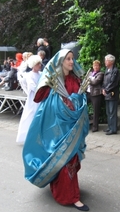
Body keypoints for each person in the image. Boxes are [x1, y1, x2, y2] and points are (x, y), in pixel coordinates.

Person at [22, 49, 90, 211]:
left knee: (71, 160)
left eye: (73, 58)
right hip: (57, 127)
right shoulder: (53, 80)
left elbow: (81, 99)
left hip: (73, 125)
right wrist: (55, 94)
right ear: (60, 62)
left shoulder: (75, 79)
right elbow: (39, 98)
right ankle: (70, 197)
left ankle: (64, 189)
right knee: (64, 160)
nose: (72, 62)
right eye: (68, 59)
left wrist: (76, 100)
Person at [16, 55, 42, 143]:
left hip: (41, 98)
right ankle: (29, 137)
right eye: (38, 64)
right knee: (31, 116)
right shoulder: (29, 75)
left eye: (40, 63)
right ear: (33, 65)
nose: (40, 65)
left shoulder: (41, 74)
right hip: (33, 100)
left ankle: (39, 137)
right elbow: (32, 87)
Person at [102, 54, 120, 135]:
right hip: (107, 94)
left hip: (112, 94)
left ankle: (113, 129)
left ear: (111, 62)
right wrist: (103, 89)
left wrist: (106, 89)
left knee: (112, 112)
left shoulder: (115, 70)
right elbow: (104, 81)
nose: (105, 62)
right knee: (108, 112)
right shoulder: (107, 70)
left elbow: (113, 83)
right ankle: (109, 127)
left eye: (106, 60)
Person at [87, 60, 104, 132]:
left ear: (99, 67)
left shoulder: (101, 74)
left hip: (96, 94)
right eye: (94, 65)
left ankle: (95, 127)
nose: (95, 67)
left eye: (97, 65)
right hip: (88, 93)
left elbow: (94, 82)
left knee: (96, 111)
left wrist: (88, 79)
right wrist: (88, 79)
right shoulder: (90, 73)